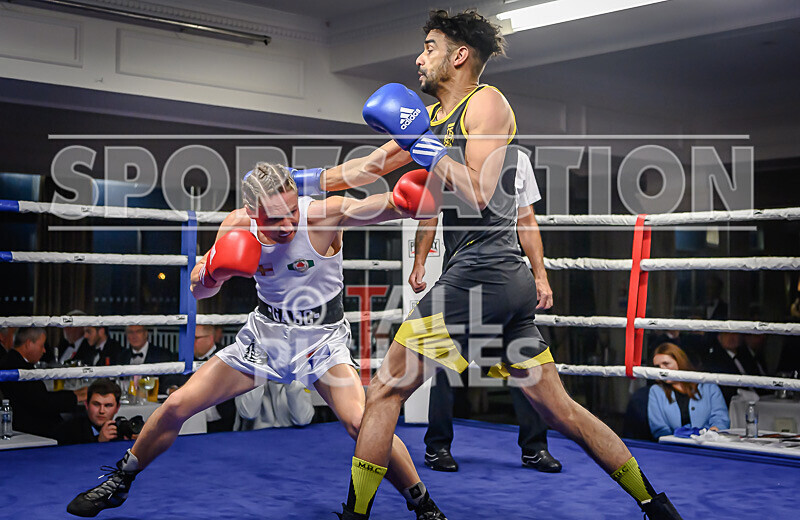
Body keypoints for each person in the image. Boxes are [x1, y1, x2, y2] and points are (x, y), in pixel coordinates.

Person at [303, 10, 682, 519]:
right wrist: (294, 181)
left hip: (482, 275)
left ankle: (355, 514)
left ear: (459, 55)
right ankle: (655, 505)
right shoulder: (432, 120)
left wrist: (426, 148)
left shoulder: (487, 104)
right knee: (559, 410)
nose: (420, 59)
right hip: (500, 287)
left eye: (431, 47)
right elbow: (364, 169)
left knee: (386, 389)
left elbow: (480, 191)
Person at [66, 163, 447, 519]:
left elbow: (386, 206)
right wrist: (214, 271)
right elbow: (198, 290)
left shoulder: (322, 215)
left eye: (291, 212)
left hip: (322, 339)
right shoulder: (236, 225)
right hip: (264, 337)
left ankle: (423, 503)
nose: (286, 224)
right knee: (179, 403)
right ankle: (122, 477)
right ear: (252, 211)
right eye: (274, 217)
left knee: (362, 423)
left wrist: (409, 200)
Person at [410, 151, 560, 473]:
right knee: (443, 365)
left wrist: (540, 274)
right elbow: (429, 214)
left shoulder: (518, 160)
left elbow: (526, 219)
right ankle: (437, 447)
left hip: (506, 279)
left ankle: (535, 448)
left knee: (527, 361)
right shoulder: (444, 159)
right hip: (464, 280)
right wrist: (420, 261)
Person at [0, 327, 87, 437]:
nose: (44, 350)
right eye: (42, 345)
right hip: (31, 427)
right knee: (80, 427)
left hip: (30, 421)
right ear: (28, 344)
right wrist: (75, 397)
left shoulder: (15, 361)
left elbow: (38, 397)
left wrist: (74, 394)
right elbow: (42, 402)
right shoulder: (16, 367)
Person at [164, 324, 236, 432]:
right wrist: (173, 389)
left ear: (210, 338)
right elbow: (167, 381)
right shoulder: (183, 358)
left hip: (220, 423)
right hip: (186, 422)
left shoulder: (227, 357)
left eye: (196, 338)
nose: (191, 342)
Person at [648, 343, 729, 439]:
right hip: (674, 447)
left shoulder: (708, 386)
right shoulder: (656, 391)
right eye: (658, 366)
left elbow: (720, 419)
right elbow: (659, 429)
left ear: (679, 361)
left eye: (666, 364)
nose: (662, 369)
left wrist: (710, 436)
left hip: (708, 444)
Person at [55, 378, 134, 445]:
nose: (101, 411)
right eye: (96, 404)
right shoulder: (69, 430)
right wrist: (98, 442)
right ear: (86, 405)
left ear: (117, 408)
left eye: (108, 405)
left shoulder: (121, 429)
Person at [234, 379, 315, 430]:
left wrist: (290, 379)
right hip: (254, 440)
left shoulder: (298, 374)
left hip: (290, 440)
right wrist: (260, 374)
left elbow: (303, 419)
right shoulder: (245, 370)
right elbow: (249, 413)